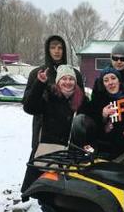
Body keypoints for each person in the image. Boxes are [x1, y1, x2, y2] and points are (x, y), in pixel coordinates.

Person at [21, 35, 84, 194]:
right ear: (48, 50)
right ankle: (46, 207)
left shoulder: (75, 73)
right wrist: (39, 83)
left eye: (60, 47)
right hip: (44, 129)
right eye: (53, 47)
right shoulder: (38, 72)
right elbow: (28, 103)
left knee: (67, 174)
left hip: (68, 130)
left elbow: (82, 101)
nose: (57, 51)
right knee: (43, 170)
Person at [83, 67, 124, 163]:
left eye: (113, 78)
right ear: (103, 84)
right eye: (106, 80)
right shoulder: (97, 101)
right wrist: (103, 117)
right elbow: (90, 129)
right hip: (104, 153)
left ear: (119, 81)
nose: (110, 82)